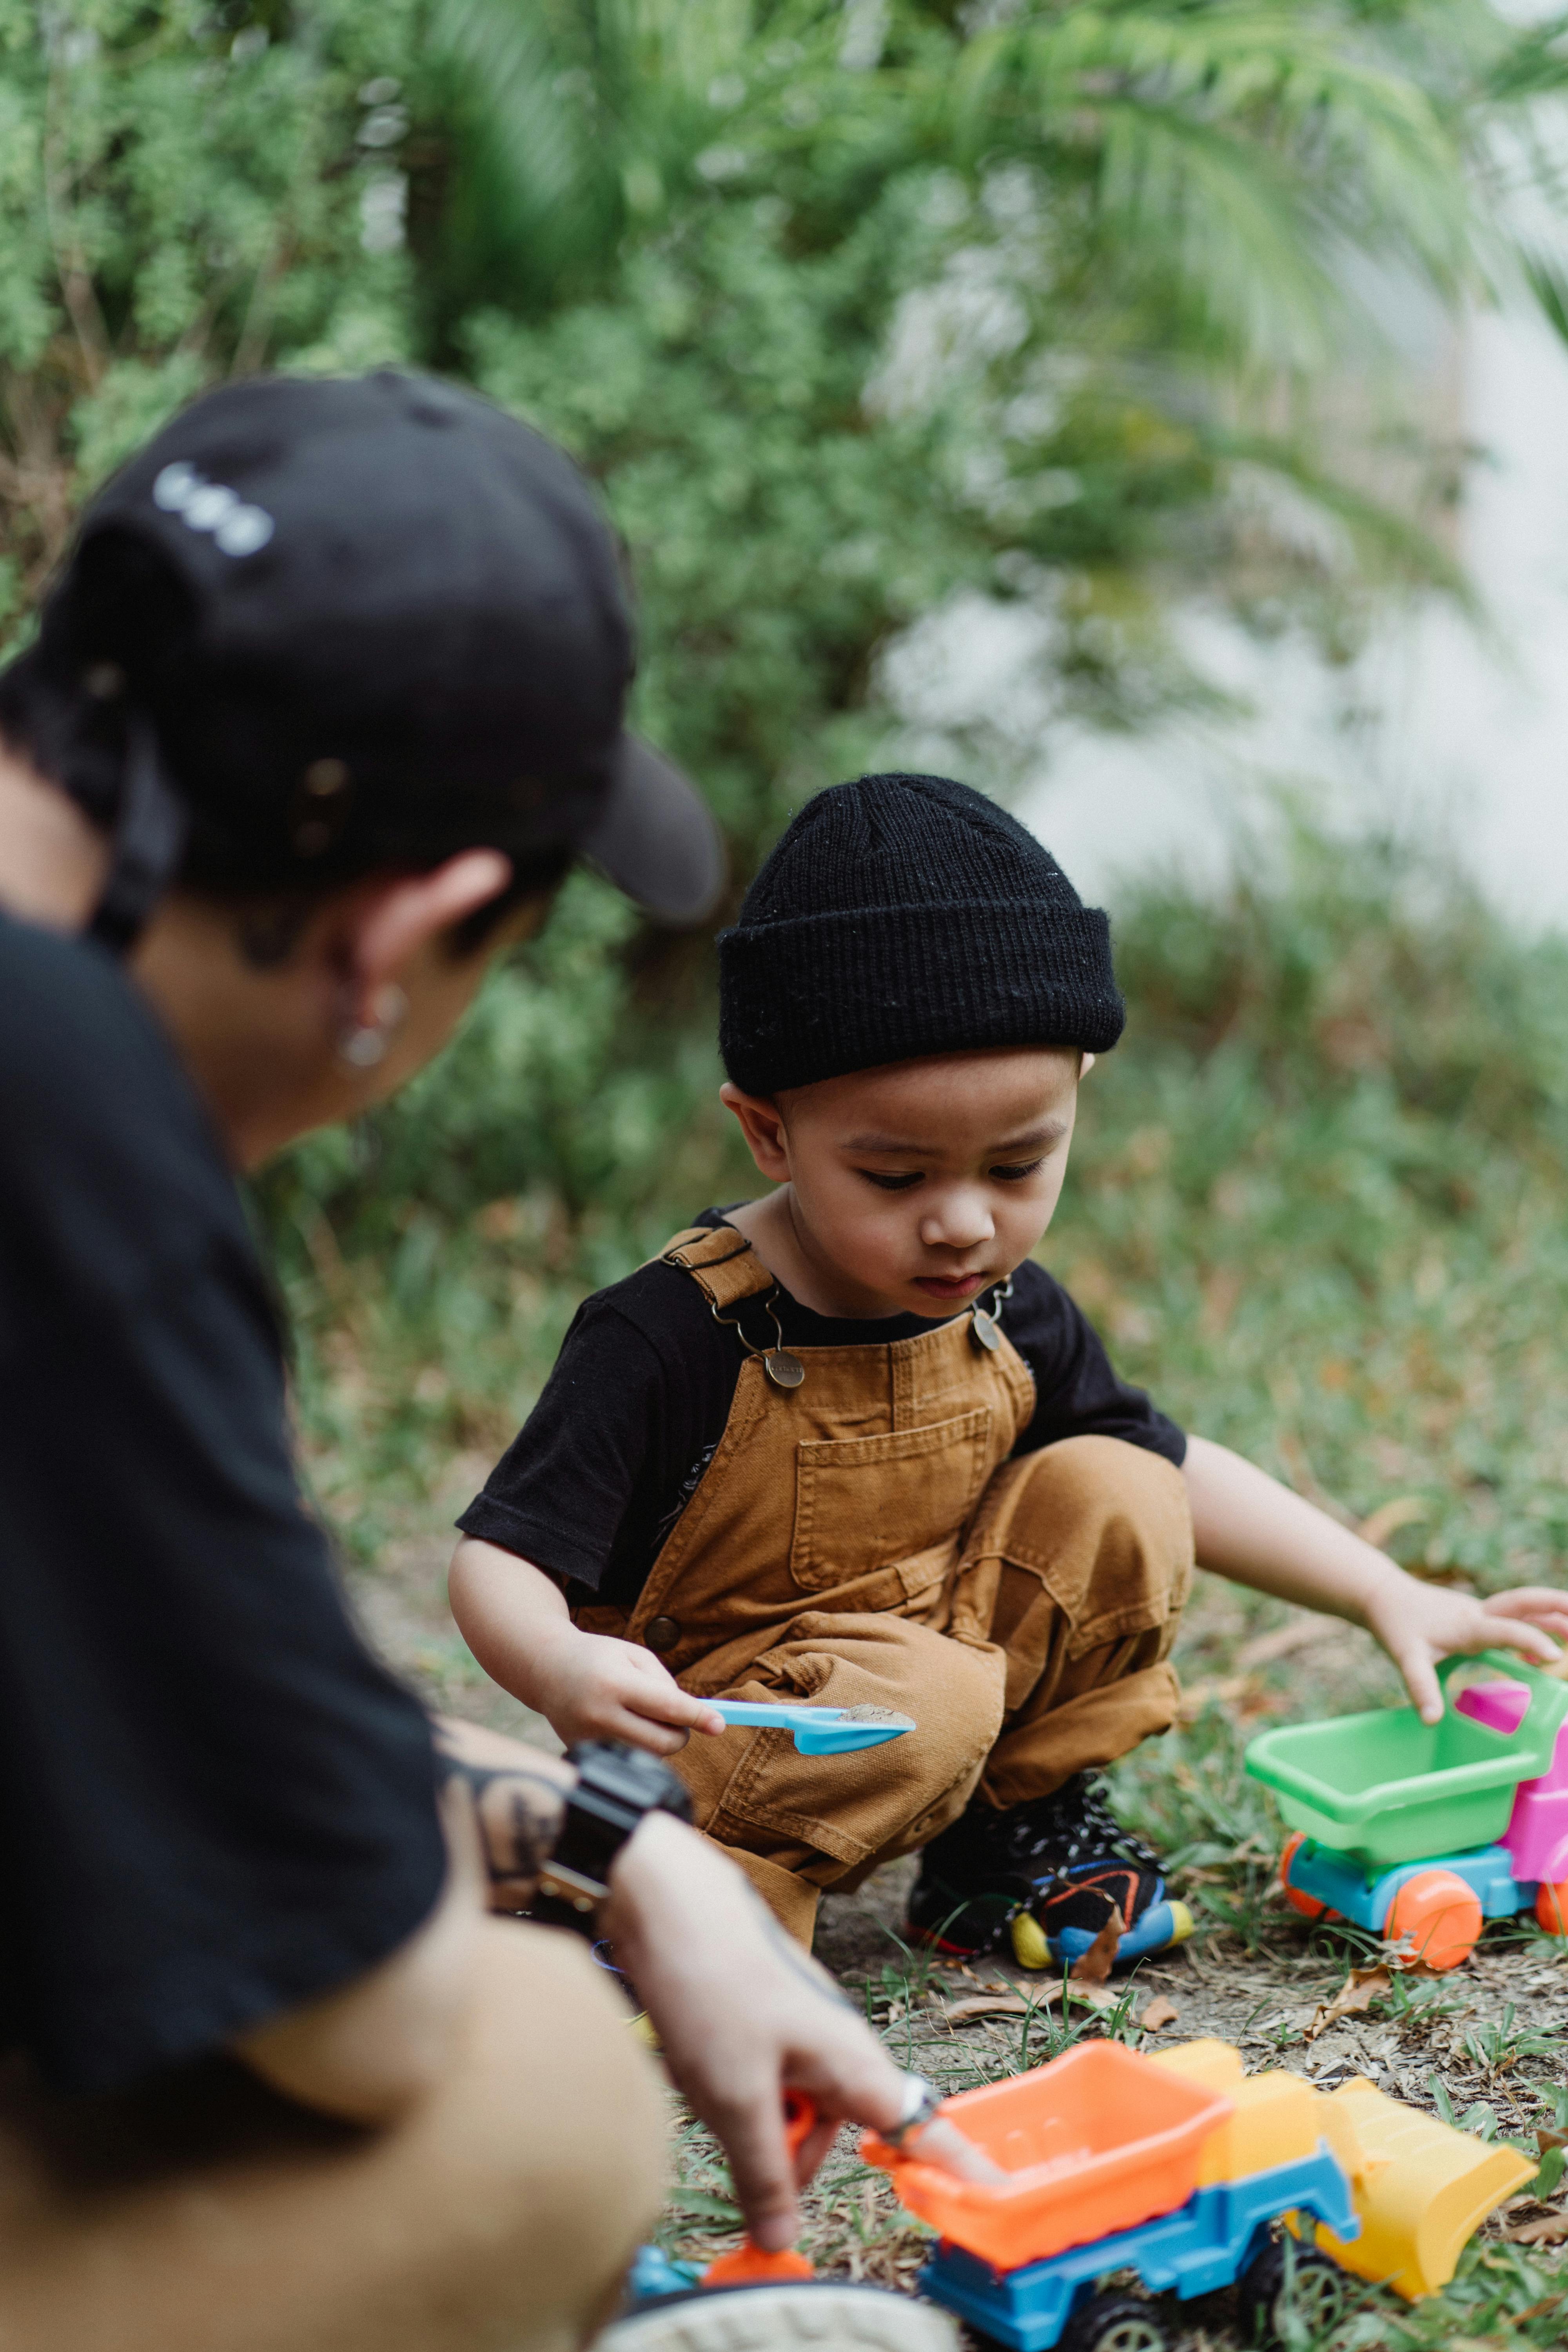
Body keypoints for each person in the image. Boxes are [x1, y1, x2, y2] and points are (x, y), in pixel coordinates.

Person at [0, 374, 927, 2352]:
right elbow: (356, 2006)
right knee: (535, 2092)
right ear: (397, 939)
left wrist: (621, 1840)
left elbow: (150, 1703)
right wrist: (596, 1887)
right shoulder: (60, 1115)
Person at [451, 771, 1568, 1969]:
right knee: (931, 1697)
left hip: (939, 1672)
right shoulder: (670, 1334)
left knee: (1122, 1492)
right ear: (769, 1132)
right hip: (733, 1728)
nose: (964, 1227)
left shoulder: (1003, 1308)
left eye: (1019, 1165)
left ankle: (1004, 1842)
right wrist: (564, 1667)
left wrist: (1384, 1590)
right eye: (896, 1178)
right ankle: (643, 1900)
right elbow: (497, 1558)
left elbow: (1179, 1471)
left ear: (1077, 1099)